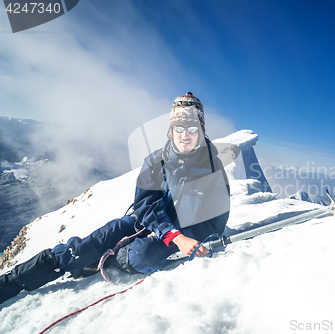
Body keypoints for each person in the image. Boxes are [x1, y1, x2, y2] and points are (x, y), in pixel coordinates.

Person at [0, 92, 230, 304]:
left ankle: (104, 261)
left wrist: (190, 238)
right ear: (170, 130)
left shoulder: (212, 167)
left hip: (184, 232)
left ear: (201, 131)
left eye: (192, 128)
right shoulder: (156, 160)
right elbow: (146, 204)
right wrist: (171, 234)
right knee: (85, 246)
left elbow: (216, 216)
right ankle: (10, 283)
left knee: (142, 256)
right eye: (179, 127)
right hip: (146, 224)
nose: (185, 135)